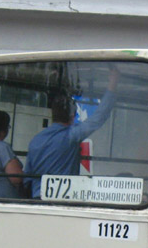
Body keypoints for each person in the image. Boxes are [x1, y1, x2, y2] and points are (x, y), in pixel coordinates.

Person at [26, 68, 120, 198]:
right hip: (62, 201)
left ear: (52, 115)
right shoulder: (71, 136)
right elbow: (99, 117)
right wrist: (112, 85)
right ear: (73, 115)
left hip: (36, 200)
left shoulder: (35, 140)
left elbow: (27, 178)